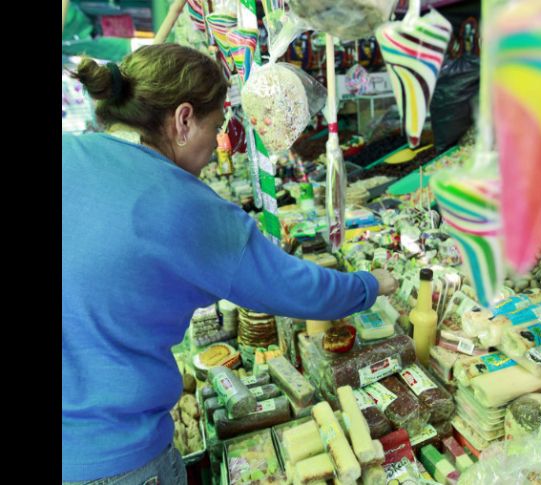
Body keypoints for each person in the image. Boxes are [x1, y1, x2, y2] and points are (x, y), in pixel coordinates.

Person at [62, 44, 397, 484]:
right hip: (115, 459)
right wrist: (371, 283)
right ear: (183, 119)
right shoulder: (182, 204)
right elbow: (302, 290)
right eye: (217, 126)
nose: (220, 145)